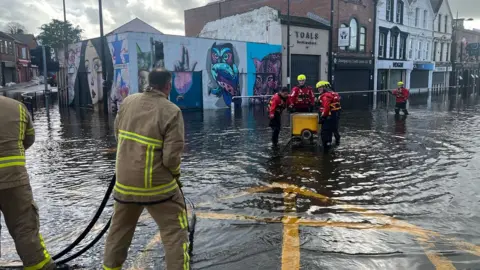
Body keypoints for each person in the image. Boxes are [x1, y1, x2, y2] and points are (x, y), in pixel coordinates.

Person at [103, 68, 190, 270]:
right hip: (158, 188)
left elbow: (119, 135)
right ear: (168, 86)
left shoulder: (128, 102)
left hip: (125, 184)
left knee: (119, 230)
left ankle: (110, 267)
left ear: (148, 82)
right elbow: (170, 158)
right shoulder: (172, 111)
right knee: (175, 232)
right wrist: (176, 176)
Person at [0, 96, 70, 270]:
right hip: (14, 179)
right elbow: (29, 138)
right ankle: (39, 267)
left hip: (14, 178)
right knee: (24, 227)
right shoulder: (17, 107)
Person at [317, 81, 342, 150]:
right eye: (318, 88)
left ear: (325, 87)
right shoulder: (335, 94)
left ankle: (326, 147)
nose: (319, 90)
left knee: (325, 132)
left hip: (329, 117)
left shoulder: (325, 96)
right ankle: (336, 142)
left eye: (320, 88)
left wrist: (323, 117)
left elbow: (327, 108)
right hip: (335, 116)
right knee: (334, 130)